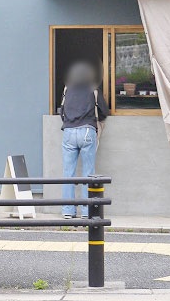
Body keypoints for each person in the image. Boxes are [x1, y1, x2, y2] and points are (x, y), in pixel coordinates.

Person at [59, 61, 109, 219]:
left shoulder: (67, 89)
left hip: (68, 131)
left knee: (68, 173)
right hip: (87, 131)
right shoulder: (93, 91)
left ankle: (68, 211)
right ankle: (87, 212)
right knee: (88, 173)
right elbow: (104, 112)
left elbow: (61, 112)